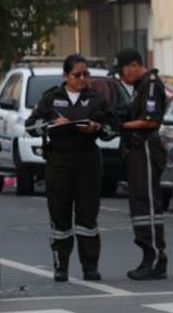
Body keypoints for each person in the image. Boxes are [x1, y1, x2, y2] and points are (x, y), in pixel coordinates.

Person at [25, 55, 117, 282]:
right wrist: (50, 124)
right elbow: (30, 126)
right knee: (60, 214)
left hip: (88, 161)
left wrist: (97, 128)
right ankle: (61, 265)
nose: (82, 79)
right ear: (65, 76)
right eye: (77, 75)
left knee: (87, 215)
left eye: (86, 74)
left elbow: (113, 129)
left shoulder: (96, 99)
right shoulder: (50, 98)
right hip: (59, 161)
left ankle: (90, 267)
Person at [111, 48, 169, 280]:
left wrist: (123, 126)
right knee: (139, 203)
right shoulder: (139, 87)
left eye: (122, 71)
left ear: (134, 65)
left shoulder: (151, 84)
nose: (120, 77)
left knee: (147, 203)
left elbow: (150, 121)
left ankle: (156, 259)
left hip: (145, 147)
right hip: (136, 150)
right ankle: (148, 256)